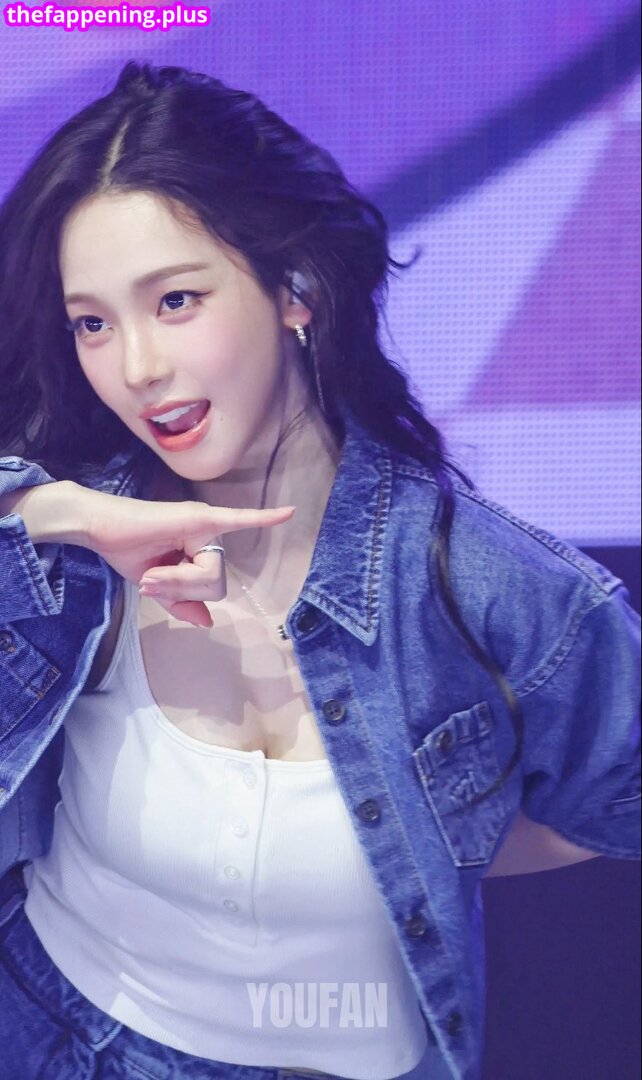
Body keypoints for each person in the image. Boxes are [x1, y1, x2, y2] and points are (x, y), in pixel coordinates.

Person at [0, 60, 639, 1080]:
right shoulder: (71, 539)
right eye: (93, 322)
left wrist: (445, 823)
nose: (136, 368)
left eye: (175, 300)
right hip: (49, 1032)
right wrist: (54, 512)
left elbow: (620, 798)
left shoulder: (486, 583)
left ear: (295, 289)